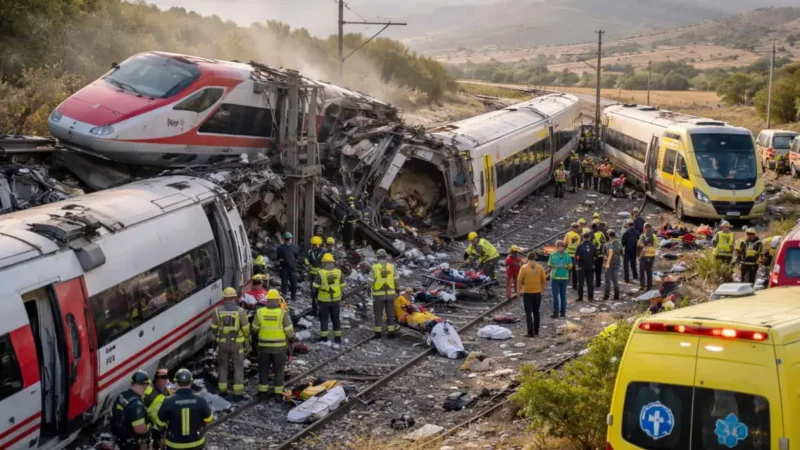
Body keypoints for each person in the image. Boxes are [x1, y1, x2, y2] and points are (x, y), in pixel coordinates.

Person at [251, 289, 295, 401]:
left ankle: (262, 393)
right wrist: (291, 339)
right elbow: (289, 331)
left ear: (268, 300)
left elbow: (254, 329)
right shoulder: (282, 313)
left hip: (263, 347)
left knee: (263, 370)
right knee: (279, 370)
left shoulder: (260, 312)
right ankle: (278, 394)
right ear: (277, 300)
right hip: (279, 348)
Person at [154, 369, 213, 450]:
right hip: (197, 444)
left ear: (176, 382)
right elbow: (209, 419)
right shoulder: (200, 400)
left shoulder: (168, 401)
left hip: (174, 445)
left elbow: (160, 424)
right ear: (191, 382)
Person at [210, 287, 250, 399]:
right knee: (238, 366)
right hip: (237, 344)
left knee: (223, 366)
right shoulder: (241, 312)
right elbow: (246, 328)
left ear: (224, 298)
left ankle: (222, 390)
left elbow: (213, 327)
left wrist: (219, 334)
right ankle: (237, 393)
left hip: (222, 343)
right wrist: (247, 341)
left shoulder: (217, 311)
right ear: (234, 297)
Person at [111, 370, 151, 450]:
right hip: (130, 444)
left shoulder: (123, 395)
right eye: (147, 386)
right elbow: (139, 429)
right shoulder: (137, 405)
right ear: (144, 385)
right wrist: (149, 426)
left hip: (118, 440)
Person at [313, 254, 344, 347]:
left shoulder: (321, 273)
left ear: (324, 263)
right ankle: (338, 338)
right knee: (336, 319)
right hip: (336, 299)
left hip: (324, 300)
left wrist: (315, 297)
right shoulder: (338, 272)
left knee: (324, 319)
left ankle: (324, 338)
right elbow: (342, 285)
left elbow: (315, 286)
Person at [517, 252, 547, 337]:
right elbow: (544, 280)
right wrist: (542, 289)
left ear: (527, 258)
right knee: (536, 312)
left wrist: (518, 291)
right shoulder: (540, 267)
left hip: (527, 293)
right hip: (537, 292)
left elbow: (519, 280)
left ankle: (530, 332)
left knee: (528, 313)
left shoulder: (524, 268)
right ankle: (536, 331)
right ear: (535, 258)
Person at [370, 249, 397, 339]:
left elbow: (370, 281)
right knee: (390, 313)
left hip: (378, 295)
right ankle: (391, 333)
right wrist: (398, 289)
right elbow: (396, 279)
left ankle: (378, 333)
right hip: (390, 294)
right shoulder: (392, 267)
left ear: (377, 257)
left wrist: (367, 288)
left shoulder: (375, 267)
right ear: (385, 257)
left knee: (378, 313)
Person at [143, 368, 172, 450]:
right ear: (156, 378)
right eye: (163, 377)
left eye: (167, 377)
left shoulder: (167, 391)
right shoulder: (149, 392)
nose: (166, 379)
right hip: (149, 426)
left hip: (162, 425)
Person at [547, 241, 572, 318]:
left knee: (561, 295)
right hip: (557, 277)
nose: (561, 248)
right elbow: (550, 266)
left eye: (562, 246)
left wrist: (562, 267)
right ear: (557, 247)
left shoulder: (565, 255)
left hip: (561, 278)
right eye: (560, 246)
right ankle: (558, 312)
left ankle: (560, 312)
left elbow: (570, 266)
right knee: (558, 295)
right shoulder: (554, 255)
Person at [276, 232, 299, 303]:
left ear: (284, 239)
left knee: (284, 284)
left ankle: (284, 298)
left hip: (284, 268)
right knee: (293, 284)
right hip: (292, 268)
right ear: (290, 239)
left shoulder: (280, 248)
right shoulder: (295, 247)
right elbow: (297, 256)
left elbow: (278, 258)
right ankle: (293, 298)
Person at [305, 236, 325, 314]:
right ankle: (316, 309)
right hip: (315, 275)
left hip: (319, 276)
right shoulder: (312, 252)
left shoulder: (321, 252)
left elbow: (307, 260)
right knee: (314, 293)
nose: (312, 246)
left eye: (313, 245)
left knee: (318, 293)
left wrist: (309, 264)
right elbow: (306, 259)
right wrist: (308, 264)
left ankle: (319, 309)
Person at [575, 232, 597, 302]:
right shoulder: (593, 246)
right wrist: (593, 263)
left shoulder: (579, 246)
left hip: (581, 266)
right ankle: (590, 297)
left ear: (583, 237)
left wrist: (576, 265)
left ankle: (580, 297)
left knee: (580, 282)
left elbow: (576, 256)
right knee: (590, 283)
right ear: (589, 237)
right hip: (590, 266)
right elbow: (596, 256)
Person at [603, 230, 623, 301]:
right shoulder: (619, 244)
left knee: (608, 281)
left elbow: (605, 254)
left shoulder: (607, 244)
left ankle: (606, 296)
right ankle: (616, 296)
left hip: (609, 264)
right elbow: (622, 253)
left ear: (608, 236)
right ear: (614, 235)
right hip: (616, 264)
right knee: (615, 280)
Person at [638, 222, 658, 291]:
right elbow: (656, 245)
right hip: (652, 256)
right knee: (649, 271)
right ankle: (649, 286)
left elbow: (640, 246)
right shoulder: (654, 236)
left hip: (644, 256)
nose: (643, 229)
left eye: (644, 227)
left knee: (642, 271)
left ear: (646, 228)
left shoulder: (642, 236)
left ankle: (642, 286)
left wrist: (639, 256)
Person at [621, 219, 640, 283]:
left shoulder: (625, 233)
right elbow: (639, 242)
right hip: (634, 250)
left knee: (626, 265)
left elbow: (623, 242)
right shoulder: (637, 232)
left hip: (627, 250)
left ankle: (626, 279)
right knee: (633, 263)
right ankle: (635, 275)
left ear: (628, 224)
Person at [563, 223, 582, 290]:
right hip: (575, 255)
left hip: (568, 254)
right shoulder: (579, 236)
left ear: (572, 227)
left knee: (568, 270)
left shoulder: (568, 234)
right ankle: (574, 285)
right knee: (575, 270)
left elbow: (564, 243)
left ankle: (565, 284)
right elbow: (579, 245)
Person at [592, 222, 607, 288]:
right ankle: (599, 282)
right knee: (599, 269)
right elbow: (605, 242)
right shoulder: (601, 233)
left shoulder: (593, 235)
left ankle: (597, 283)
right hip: (602, 253)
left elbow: (592, 244)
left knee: (596, 269)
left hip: (596, 254)